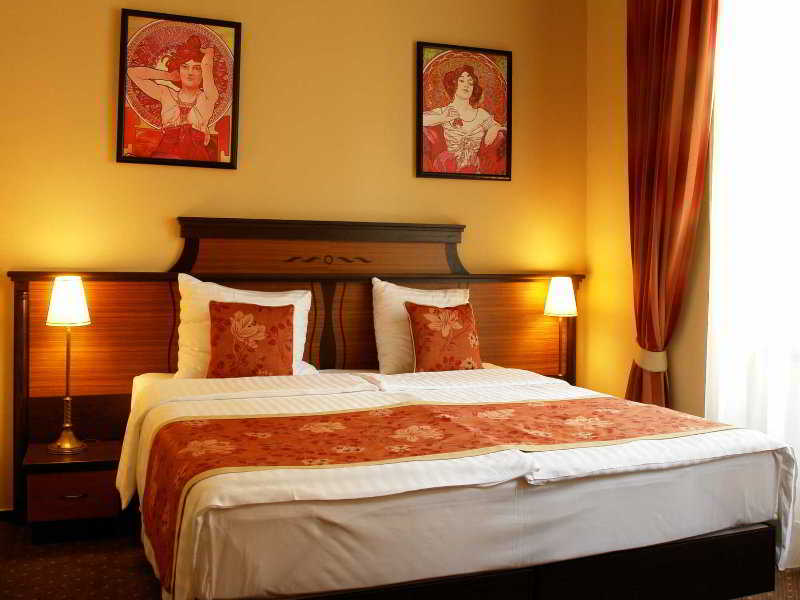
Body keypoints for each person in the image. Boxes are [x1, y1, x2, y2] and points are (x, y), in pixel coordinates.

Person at [128, 35, 219, 161]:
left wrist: (208, 56)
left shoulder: (208, 97)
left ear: (203, 71)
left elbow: (207, 67)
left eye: (197, 68)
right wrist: (168, 76)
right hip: (163, 159)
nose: (190, 72)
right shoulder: (166, 94)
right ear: (178, 69)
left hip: (195, 162)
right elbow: (132, 73)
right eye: (185, 67)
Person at [422, 64, 507, 174]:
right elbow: (421, 119)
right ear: (453, 84)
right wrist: (443, 118)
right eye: (461, 81)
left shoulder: (481, 114)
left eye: (470, 83)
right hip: (448, 166)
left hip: (475, 169)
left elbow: (500, 127)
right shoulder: (445, 111)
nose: (466, 85)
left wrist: (494, 128)